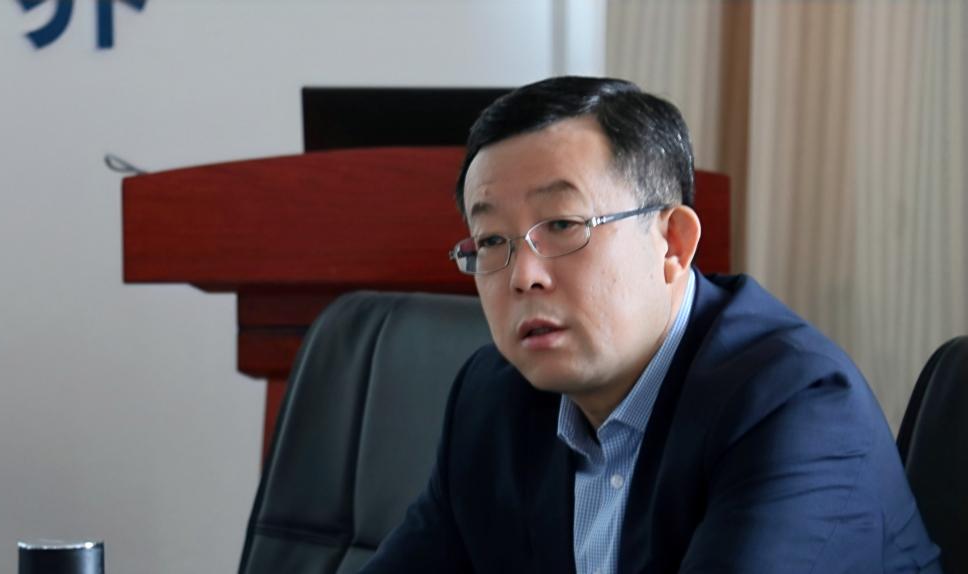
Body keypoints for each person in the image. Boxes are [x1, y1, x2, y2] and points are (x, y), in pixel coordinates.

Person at [358, 77, 942, 574]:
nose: (523, 276)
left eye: (561, 225)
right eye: (491, 241)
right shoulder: (491, 398)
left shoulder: (793, 403)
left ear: (673, 244)